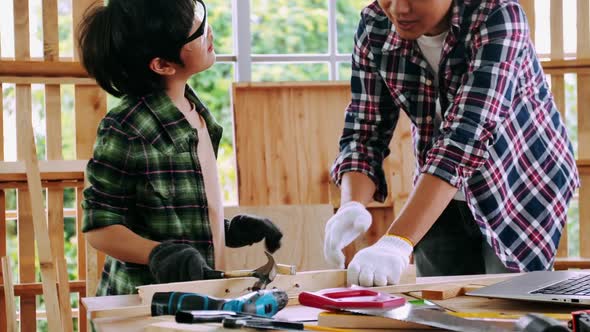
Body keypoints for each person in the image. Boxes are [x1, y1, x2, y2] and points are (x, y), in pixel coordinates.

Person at [324, 0, 580, 287]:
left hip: (520, 186)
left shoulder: (498, 15)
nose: (398, 9)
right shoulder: (375, 25)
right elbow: (364, 129)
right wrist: (351, 206)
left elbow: (465, 135)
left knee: (510, 304)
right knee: (438, 307)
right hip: (435, 189)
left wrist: (396, 240)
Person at [78, 0, 282, 296]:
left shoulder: (198, 115)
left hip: (199, 298)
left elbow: (177, 215)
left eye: (201, 18)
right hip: (142, 306)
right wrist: (157, 253)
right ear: (162, 65)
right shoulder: (124, 128)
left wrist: (229, 230)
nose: (208, 30)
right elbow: (100, 230)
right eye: (196, 32)